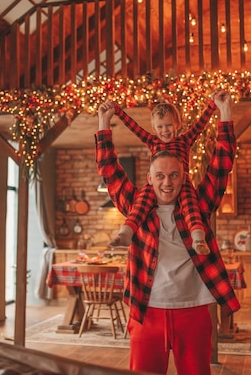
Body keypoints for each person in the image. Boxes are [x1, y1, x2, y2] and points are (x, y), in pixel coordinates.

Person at [95, 90, 240, 375]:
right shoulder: (137, 205)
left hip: (195, 311)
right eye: (160, 176)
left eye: (174, 175)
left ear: (184, 176)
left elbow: (221, 165)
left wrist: (224, 113)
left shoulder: (198, 204)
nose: (166, 182)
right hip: (146, 311)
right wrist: (104, 124)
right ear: (149, 179)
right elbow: (110, 171)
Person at [108, 98, 218, 255]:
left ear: (177, 125)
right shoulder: (152, 141)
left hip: (182, 181)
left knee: (191, 206)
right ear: (154, 128)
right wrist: (118, 111)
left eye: (168, 125)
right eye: (160, 126)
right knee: (141, 204)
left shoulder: (184, 141)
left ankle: (198, 239)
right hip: (156, 183)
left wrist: (212, 105)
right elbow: (134, 127)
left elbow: (200, 124)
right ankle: (126, 232)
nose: (165, 130)